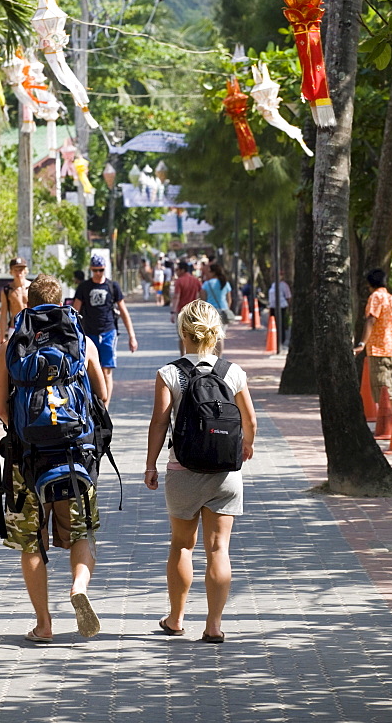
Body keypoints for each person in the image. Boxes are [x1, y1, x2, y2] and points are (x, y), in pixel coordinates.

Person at [0, 273, 108, 641]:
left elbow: (1, 408)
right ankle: (78, 587)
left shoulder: (12, 345)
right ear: (64, 303)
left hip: (27, 459)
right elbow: (101, 398)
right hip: (75, 456)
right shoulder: (81, 341)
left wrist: (28, 431)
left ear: (26, 303)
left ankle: (44, 625)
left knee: (31, 539)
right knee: (81, 533)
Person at [144, 300, 258, 642]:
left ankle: (176, 619)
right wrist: (246, 445)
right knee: (218, 549)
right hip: (225, 472)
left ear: (183, 332)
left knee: (181, 545)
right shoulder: (233, 372)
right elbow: (250, 420)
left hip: (183, 469)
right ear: (216, 333)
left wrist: (150, 464)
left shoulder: (170, 373)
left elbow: (160, 422)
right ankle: (213, 626)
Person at [73, 253, 138, 408]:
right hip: (89, 334)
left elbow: (123, 311)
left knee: (106, 370)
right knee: (89, 370)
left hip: (108, 332)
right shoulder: (84, 287)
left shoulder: (112, 286)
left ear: (105, 269)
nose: (98, 273)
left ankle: (105, 408)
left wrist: (132, 336)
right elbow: (74, 312)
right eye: (95, 270)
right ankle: (90, 404)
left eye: (100, 270)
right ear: (91, 270)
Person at [353, 268, 392, 405]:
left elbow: (371, 320)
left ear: (369, 284)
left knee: (383, 390)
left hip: (380, 348)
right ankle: (388, 422)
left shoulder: (376, 297)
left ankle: (389, 424)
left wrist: (362, 344)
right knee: (387, 385)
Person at [170, 258, 201, 355]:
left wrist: (173, 312)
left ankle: (183, 356)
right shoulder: (196, 281)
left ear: (182, 270)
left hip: (182, 312)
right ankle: (195, 355)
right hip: (194, 312)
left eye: (177, 270)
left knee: (182, 336)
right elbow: (201, 295)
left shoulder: (179, 281)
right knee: (195, 335)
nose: (176, 272)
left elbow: (176, 297)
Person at [201, 261, 233, 354]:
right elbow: (229, 299)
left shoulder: (207, 284)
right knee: (220, 336)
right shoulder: (225, 283)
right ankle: (219, 357)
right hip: (224, 310)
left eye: (209, 271)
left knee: (211, 336)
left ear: (214, 272)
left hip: (211, 311)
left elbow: (203, 299)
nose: (208, 273)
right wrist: (227, 309)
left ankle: (211, 356)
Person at [0, 257, 30, 342]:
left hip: (31, 327)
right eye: (15, 270)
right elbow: (3, 315)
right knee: (15, 355)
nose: (18, 273)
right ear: (11, 271)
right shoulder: (7, 290)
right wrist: (2, 336)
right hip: (15, 328)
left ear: (25, 271)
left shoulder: (32, 288)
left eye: (21, 270)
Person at [268, 271, 291, 344]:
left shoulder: (284, 285)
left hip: (281, 306)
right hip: (273, 306)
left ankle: (281, 339)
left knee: (281, 323)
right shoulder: (273, 285)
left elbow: (288, 296)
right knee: (273, 323)